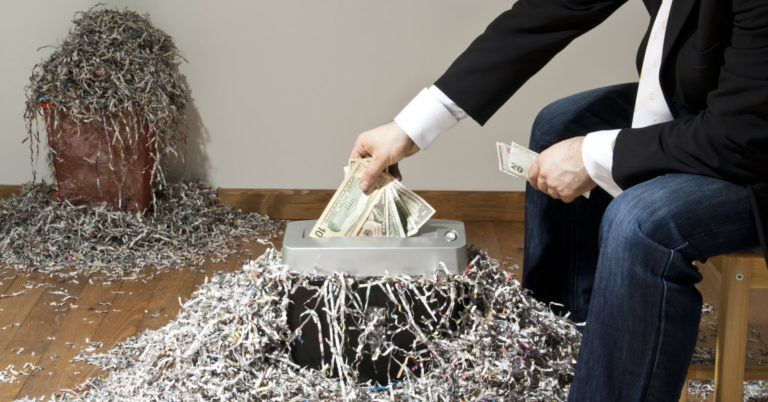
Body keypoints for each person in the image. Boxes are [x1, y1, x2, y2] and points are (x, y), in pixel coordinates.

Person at [348, 0, 768, 400]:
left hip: (752, 147)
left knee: (639, 222)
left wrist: (594, 155)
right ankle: (556, 361)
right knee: (559, 124)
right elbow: (550, 11)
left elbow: (742, 133)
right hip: (711, 101)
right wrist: (410, 127)